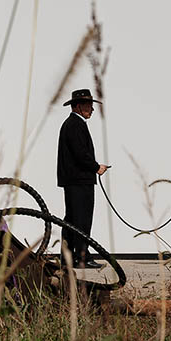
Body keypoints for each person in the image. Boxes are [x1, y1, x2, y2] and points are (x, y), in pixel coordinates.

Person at [57, 88, 109, 268]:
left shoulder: (71, 124)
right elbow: (81, 154)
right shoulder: (75, 125)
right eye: (88, 106)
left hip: (73, 180)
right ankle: (82, 257)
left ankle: (68, 257)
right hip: (79, 180)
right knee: (81, 219)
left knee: (72, 218)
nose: (92, 110)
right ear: (78, 106)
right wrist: (97, 168)